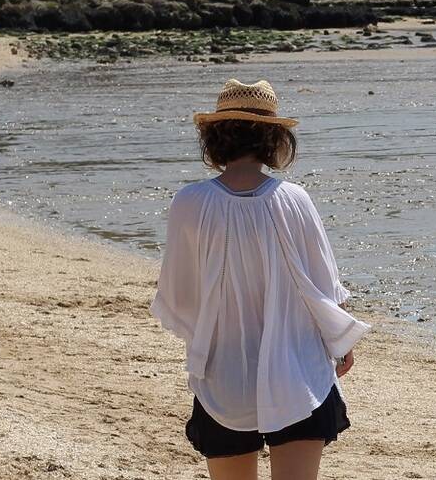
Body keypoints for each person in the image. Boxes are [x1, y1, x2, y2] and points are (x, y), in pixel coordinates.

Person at [152, 79, 369, 480]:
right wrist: (341, 342)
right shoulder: (295, 199)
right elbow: (324, 287)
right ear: (274, 140)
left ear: (214, 139)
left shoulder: (190, 202)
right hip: (297, 370)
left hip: (224, 372)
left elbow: (180, 296)